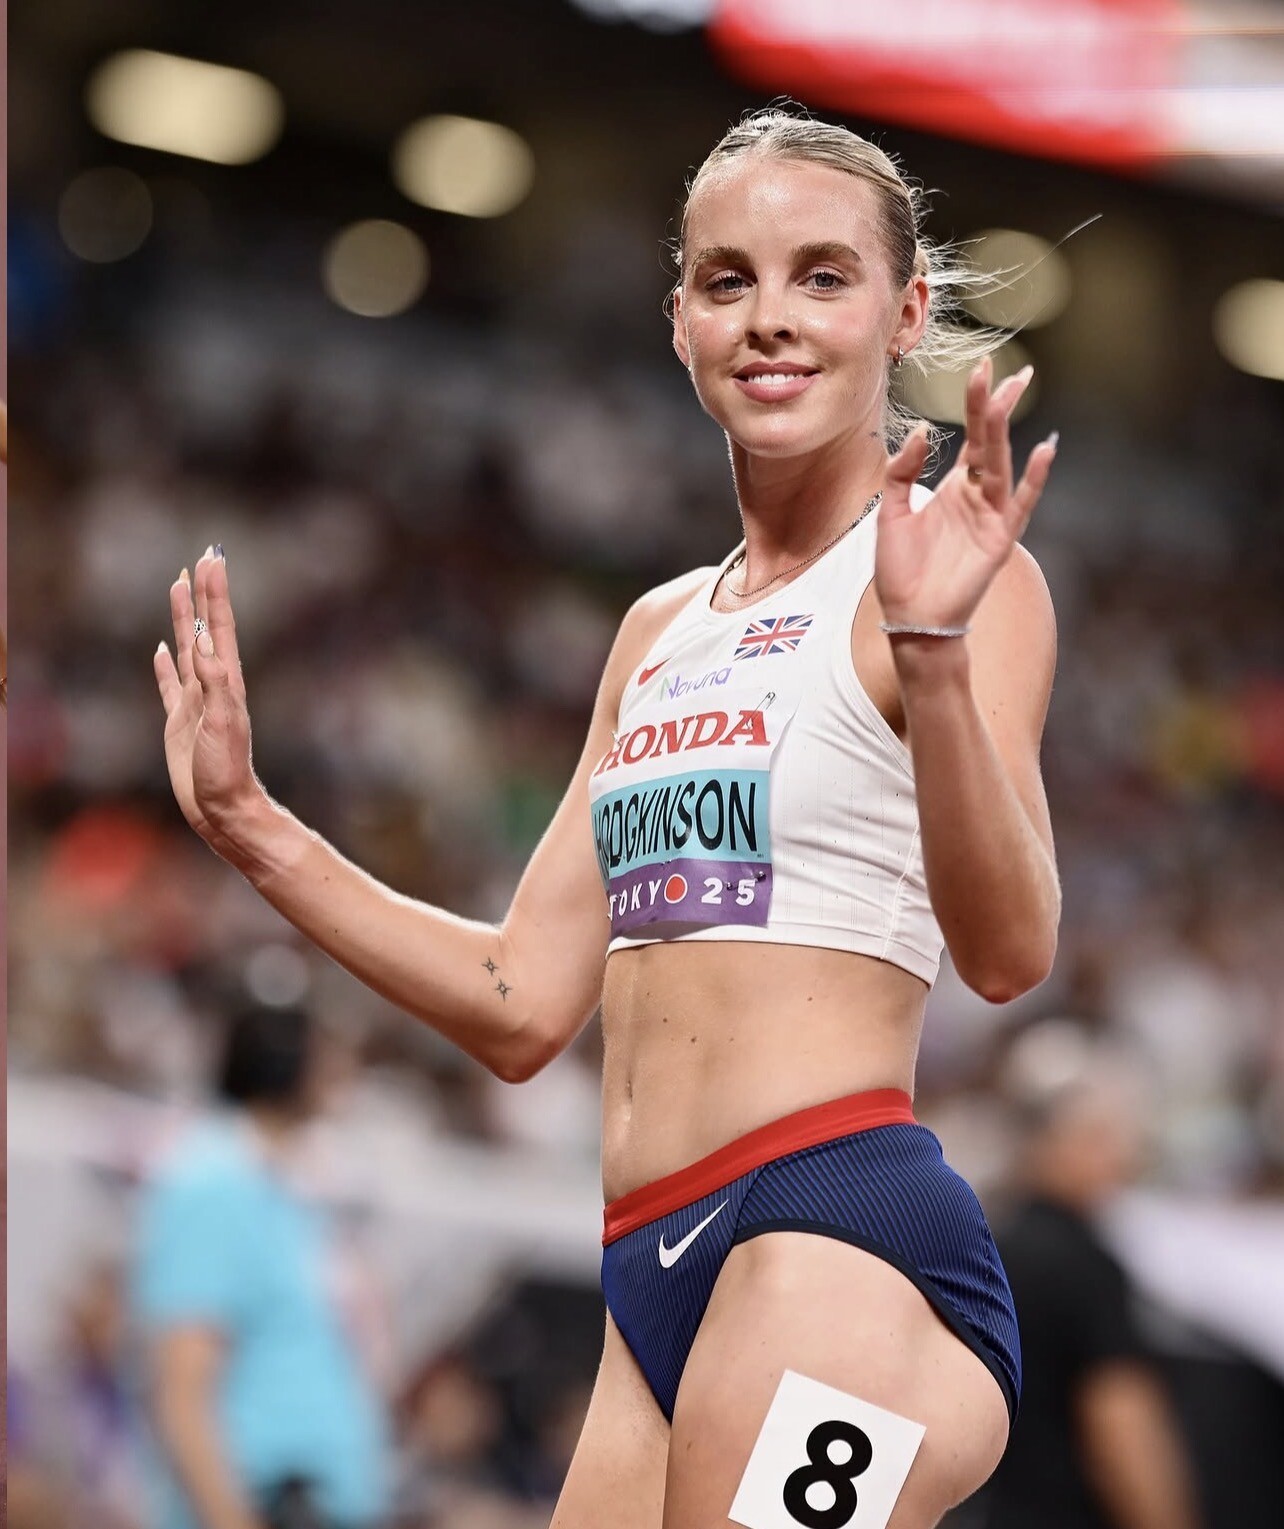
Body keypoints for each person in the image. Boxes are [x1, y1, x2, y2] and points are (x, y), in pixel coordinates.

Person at [154, 109, 1060, 1529]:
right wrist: (252, 825)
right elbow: (521, 1002)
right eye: (727, 280)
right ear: (680, 321)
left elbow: (1010, 952)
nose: (770, 318)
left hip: (833, 1234)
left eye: (823, 276)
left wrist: (934, 653)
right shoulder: (658, 631)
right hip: (651, 1261)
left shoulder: (954, 576)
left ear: (905, 314)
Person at [132, 1003, 390, 1529]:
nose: (340, 1070)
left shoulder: (284, 1186)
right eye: (324, 1054)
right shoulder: (212, 1184)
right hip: (260, 1504)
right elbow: (182, 1387)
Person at [978, 1024, 1203, 1529]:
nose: (1121, 1158)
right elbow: (1122, 1425)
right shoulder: (1081, 1263)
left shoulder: (994, 1243)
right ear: (1051, 1141)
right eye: (1101, 1138)